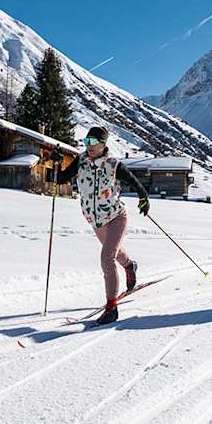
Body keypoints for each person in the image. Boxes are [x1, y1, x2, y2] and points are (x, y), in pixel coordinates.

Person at [53, 126, 150, 325]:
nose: (88, 146)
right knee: (114, 252)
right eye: (86, 141)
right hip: (95, 220)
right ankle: (130, 266)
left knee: (107, 257)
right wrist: (53, 163)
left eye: (92, 142)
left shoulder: (113, 164)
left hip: (116, 217)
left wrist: (143, 198)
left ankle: (111, 308)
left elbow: (135, 183)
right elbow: (59, 179)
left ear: (102, 144)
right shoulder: (80, 162)